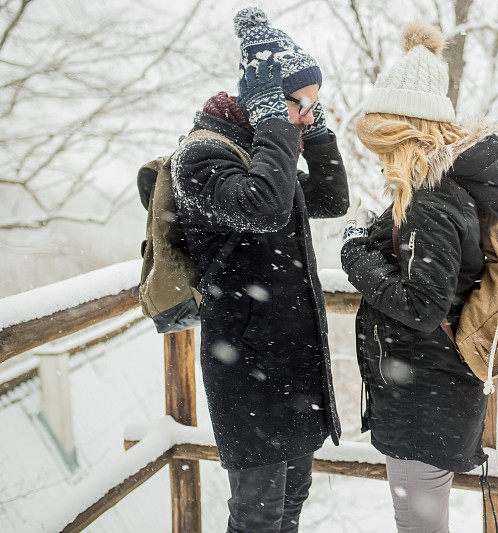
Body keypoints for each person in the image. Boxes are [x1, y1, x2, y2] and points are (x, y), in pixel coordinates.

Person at [171, 7, 347, 532]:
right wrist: (278, 120)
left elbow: (332, 197)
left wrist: (309, 128)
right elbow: (265, 205)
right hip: (248, 370)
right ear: (265, 103)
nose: (307, 116)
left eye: (313, 107)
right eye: (301, 105)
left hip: (290, 364)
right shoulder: (202, 158)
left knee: (292, 500)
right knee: (258, 515)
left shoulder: (265, 155)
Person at [340, 23, 498, 533]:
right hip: (430, 393)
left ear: (404, 135)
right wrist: (374, 235)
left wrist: (355, 254)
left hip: (424, 399)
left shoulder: (431, 203)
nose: (379, 159)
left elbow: (422, 305)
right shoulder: (434, 195)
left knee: (419, 526)